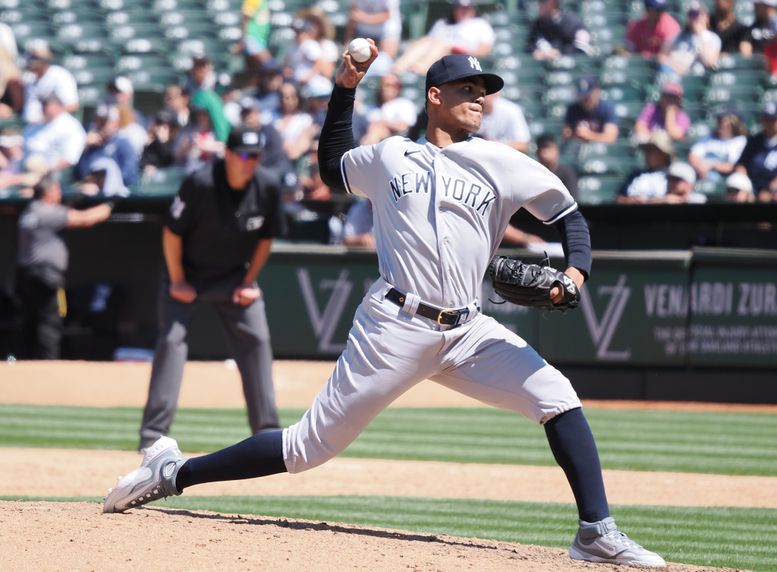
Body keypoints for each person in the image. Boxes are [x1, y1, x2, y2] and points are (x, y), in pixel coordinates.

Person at [103, 48, 667, 569]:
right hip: (394, 325)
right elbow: (331, 166)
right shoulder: (391, 155)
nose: (479, 98)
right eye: (467, 87)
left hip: (469, 330)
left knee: (558, 397)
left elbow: (570, 219)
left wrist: (574, 274)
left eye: (484, 89)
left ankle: (595, 531)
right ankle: (173, 471)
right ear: (434, 96)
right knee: (303, 449)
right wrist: (346, 86)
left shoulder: (503, 162)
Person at [136, 126, 285, 451]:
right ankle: (152, 438)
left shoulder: (267, 186)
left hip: (233, 278)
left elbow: (266, 238)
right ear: (228, 154)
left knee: (257, 339)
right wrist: (177, 280)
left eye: (256, 156)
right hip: (186, 274)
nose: (250, 162)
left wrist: (249, 281)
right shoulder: (200, 182)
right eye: (244, 155)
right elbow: (172, 233)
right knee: (172, 343)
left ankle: (267, 435)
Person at [15, 175, 112, 359]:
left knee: (29, 322)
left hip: (25, 276)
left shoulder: (29, 211)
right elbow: (85, 218)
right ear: (48, 193)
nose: (59, 195)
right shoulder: (47, 211)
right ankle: (48, 366)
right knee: (51, 321)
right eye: (57, 191)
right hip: (46, 277)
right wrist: (110, 205)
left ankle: (25, 363)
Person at [393, 0, 494, 75]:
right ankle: (397, 69)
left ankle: (419, 70)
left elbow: (484, 49)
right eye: (459, 7)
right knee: (424, 42)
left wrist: (466, 53)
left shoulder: (480, 24)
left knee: (442, 45)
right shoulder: (442, 23)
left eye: (466, 8)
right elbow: (428, 42)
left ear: (473, 9)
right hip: (436, 52)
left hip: (460, 56)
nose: (463, 10)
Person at [735, 101, 777, 203]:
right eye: (766, 119)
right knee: (736, 186)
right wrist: (742, 181)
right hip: (755, 184)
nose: (769, 123)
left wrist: (768, 189)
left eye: (772, 119)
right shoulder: (755, 140)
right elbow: (741, 164)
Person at [74, 104, 140, 188]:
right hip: (90, 194)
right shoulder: (90, 144)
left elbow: (128, 175)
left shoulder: (123, 143)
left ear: (115, 123)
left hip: (118, 196)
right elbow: (79, 173)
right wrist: (84, 147)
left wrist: (99, 182)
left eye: (105, 122)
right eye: (99, 121)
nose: (101, 125)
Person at [22, 94, 86, 177]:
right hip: (25, 167)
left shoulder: (71, 126)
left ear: (58, 106)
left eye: (47, 104)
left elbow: (70, 159)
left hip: (50, 173)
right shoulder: (36, 124)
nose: (43, 107)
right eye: (43, 104)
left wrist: (47, 171)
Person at [21, 39, 79, 124]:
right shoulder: (28, 77)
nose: (32, 62)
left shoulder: (59, 75)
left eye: (35, 58)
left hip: (53, 126)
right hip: (29, 127)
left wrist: (51, 114)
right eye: (31, 58)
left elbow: (72, 105)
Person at [658, 1, 721, 78]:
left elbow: (709, 62)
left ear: (706, 17)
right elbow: (661, 57)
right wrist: (676, 68)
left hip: (697, 78)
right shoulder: (679, 36)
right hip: (675, 75)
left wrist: (699, 34)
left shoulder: (712, 38)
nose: (694, 18)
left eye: (697, 14)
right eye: (691, 14)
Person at [688, 109, 747, 182]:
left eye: (724, 121)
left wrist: (711, 166)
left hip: (726, 179)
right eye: (719, 120)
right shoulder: (709, 137)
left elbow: (734, 166)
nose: (721, 124)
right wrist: (700, 167)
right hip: (702, 175)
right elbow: (693, 155)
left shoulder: (740, 141)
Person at [617, 130, 674, 203]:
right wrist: (630, 201)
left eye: (652, 151)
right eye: (647, 151)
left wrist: (648, 201)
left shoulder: (673, 177)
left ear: (663, 154)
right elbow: (619, 199)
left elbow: (675, 199)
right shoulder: (636, 175)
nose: (647, 154)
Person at [526, 0, 592, 61]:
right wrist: (535, 52)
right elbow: (529, 46)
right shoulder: (536, 25)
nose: (539, 5)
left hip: (568, 68)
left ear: (553, 2)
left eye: (543, 1)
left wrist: (559, 52)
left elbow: (582, 49)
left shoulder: (573, 23)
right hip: (543, 70)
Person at [562, 77, 618, 146]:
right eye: (582, 95)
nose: (585, 98)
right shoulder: (572, 109)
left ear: (597, 91)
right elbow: (567, 135)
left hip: (601, 151)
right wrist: (576, 135)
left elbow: (610, 138)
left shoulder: (607, 108)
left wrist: (589, 135)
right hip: (578, 150)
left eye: (588, 94)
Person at [535, 133, 578, 198]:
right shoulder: (534, 172)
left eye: (548, 147)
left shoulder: (566, 173)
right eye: (542, 147)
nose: (545, 151)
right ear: (537, 152)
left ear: (556, 150)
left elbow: (572, 199)